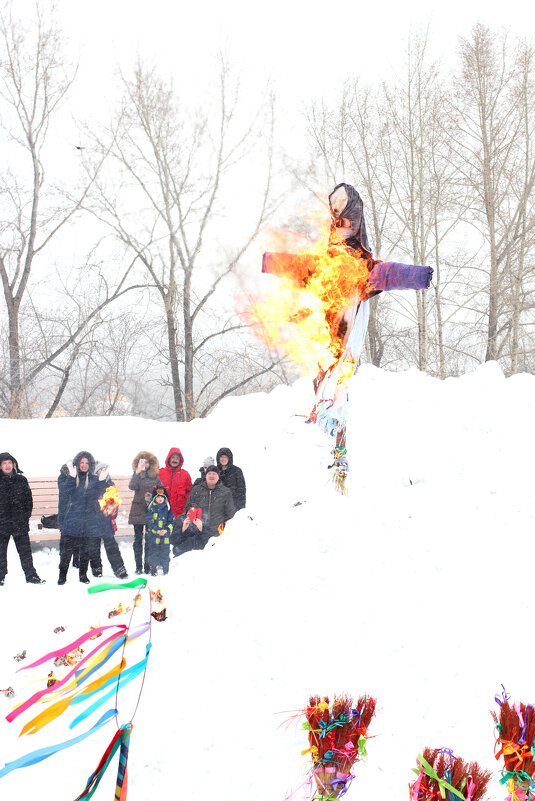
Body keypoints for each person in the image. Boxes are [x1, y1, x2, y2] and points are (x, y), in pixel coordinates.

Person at [57, 451, 107, 585]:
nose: (84, 465)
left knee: (85, 551)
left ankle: (83, 575)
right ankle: (62, 575)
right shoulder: (72, 477)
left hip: (88, 522)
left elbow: (99, 496)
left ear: (90, 465)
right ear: (78, 464)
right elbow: (65, 492)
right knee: (66, 552)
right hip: (72, 520)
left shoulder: (93, 479)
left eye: (87, 463)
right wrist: (72, 478)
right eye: (82, 463)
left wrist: (102, 482)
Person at [0, 452, 44, 585]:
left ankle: (31, 576)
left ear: (13, 465)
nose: (7, 466)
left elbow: (28, 501)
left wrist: (24, 518)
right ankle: (0, 576)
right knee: (1, 553)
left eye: (9, 463)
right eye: (4, 463)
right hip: (2, 524)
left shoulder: (21, 480)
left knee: (25, 552)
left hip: (19, 522)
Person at [174, 465, 235, 557]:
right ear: (205, 476)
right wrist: (193, 511)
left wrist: (224, 530)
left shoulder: (226, 492)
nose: (211, 476)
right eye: (209, 473)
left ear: (218, 476)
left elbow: (230, 514)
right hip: (198, 533)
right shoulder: (196, 490)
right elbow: (188, 508)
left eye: (214, 474)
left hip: (217, 534)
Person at [128, 451, 162, 574]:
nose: (145, 464)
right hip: (137, 510)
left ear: (151, 463)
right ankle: (138, 567)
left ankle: (147, 566)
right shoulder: (137, 474)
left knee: (149, 539)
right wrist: (137, 472)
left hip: (150, 511)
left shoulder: (155, 476)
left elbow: (161, 492)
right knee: (137, 540)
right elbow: (132, 486)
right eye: (143, 461)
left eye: (147, 461)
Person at [94, 461, 128, 579]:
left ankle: (119, 569)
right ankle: (96, 569)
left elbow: (115, 502)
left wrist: (113, 510)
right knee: (93, 547)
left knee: (111, 546)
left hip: (106, 521)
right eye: (100, 469)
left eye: (104, 469)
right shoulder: (93, 483)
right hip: (94, 521)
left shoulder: (110, 485)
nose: (102, 471)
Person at [145, 487, 174, 575]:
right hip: (154, 536)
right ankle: (153, 568)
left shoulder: (168, 509)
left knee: (165, 552)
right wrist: (156, 530)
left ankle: (165, 568)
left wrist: (166, 530)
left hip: (165, 536)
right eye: (158, 497)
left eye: (162, 497)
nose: (160, 499)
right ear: (154, 498)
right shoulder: (151, 509)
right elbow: (149, 522)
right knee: (154, 552)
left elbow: (172, 521)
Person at [158, 447, 192, 518]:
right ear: (169, 459)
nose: (175, 460)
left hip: (179, 515)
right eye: (173, 457)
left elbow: (190, 493)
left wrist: (186, 508)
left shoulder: (185, 475)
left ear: (180, 460)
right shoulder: (160, 473)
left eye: (177, 458)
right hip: (162, 514)